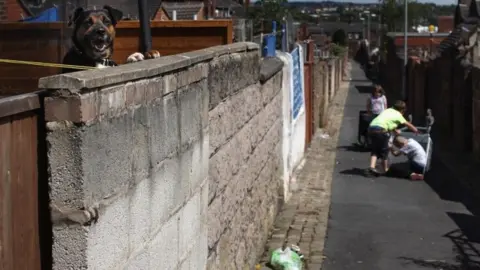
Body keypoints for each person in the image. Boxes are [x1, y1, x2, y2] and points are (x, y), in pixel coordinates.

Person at [366, 100, 418, 176]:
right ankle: (386, 170)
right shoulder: (398, 115)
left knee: (375, 149)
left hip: (371, 128)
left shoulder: (388, 110)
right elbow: (407, 124)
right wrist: (415, 130)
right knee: (385, 150)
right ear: (402, 110)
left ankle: (372, 167)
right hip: (381, 130)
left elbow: (385, 121)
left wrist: (394, 129)